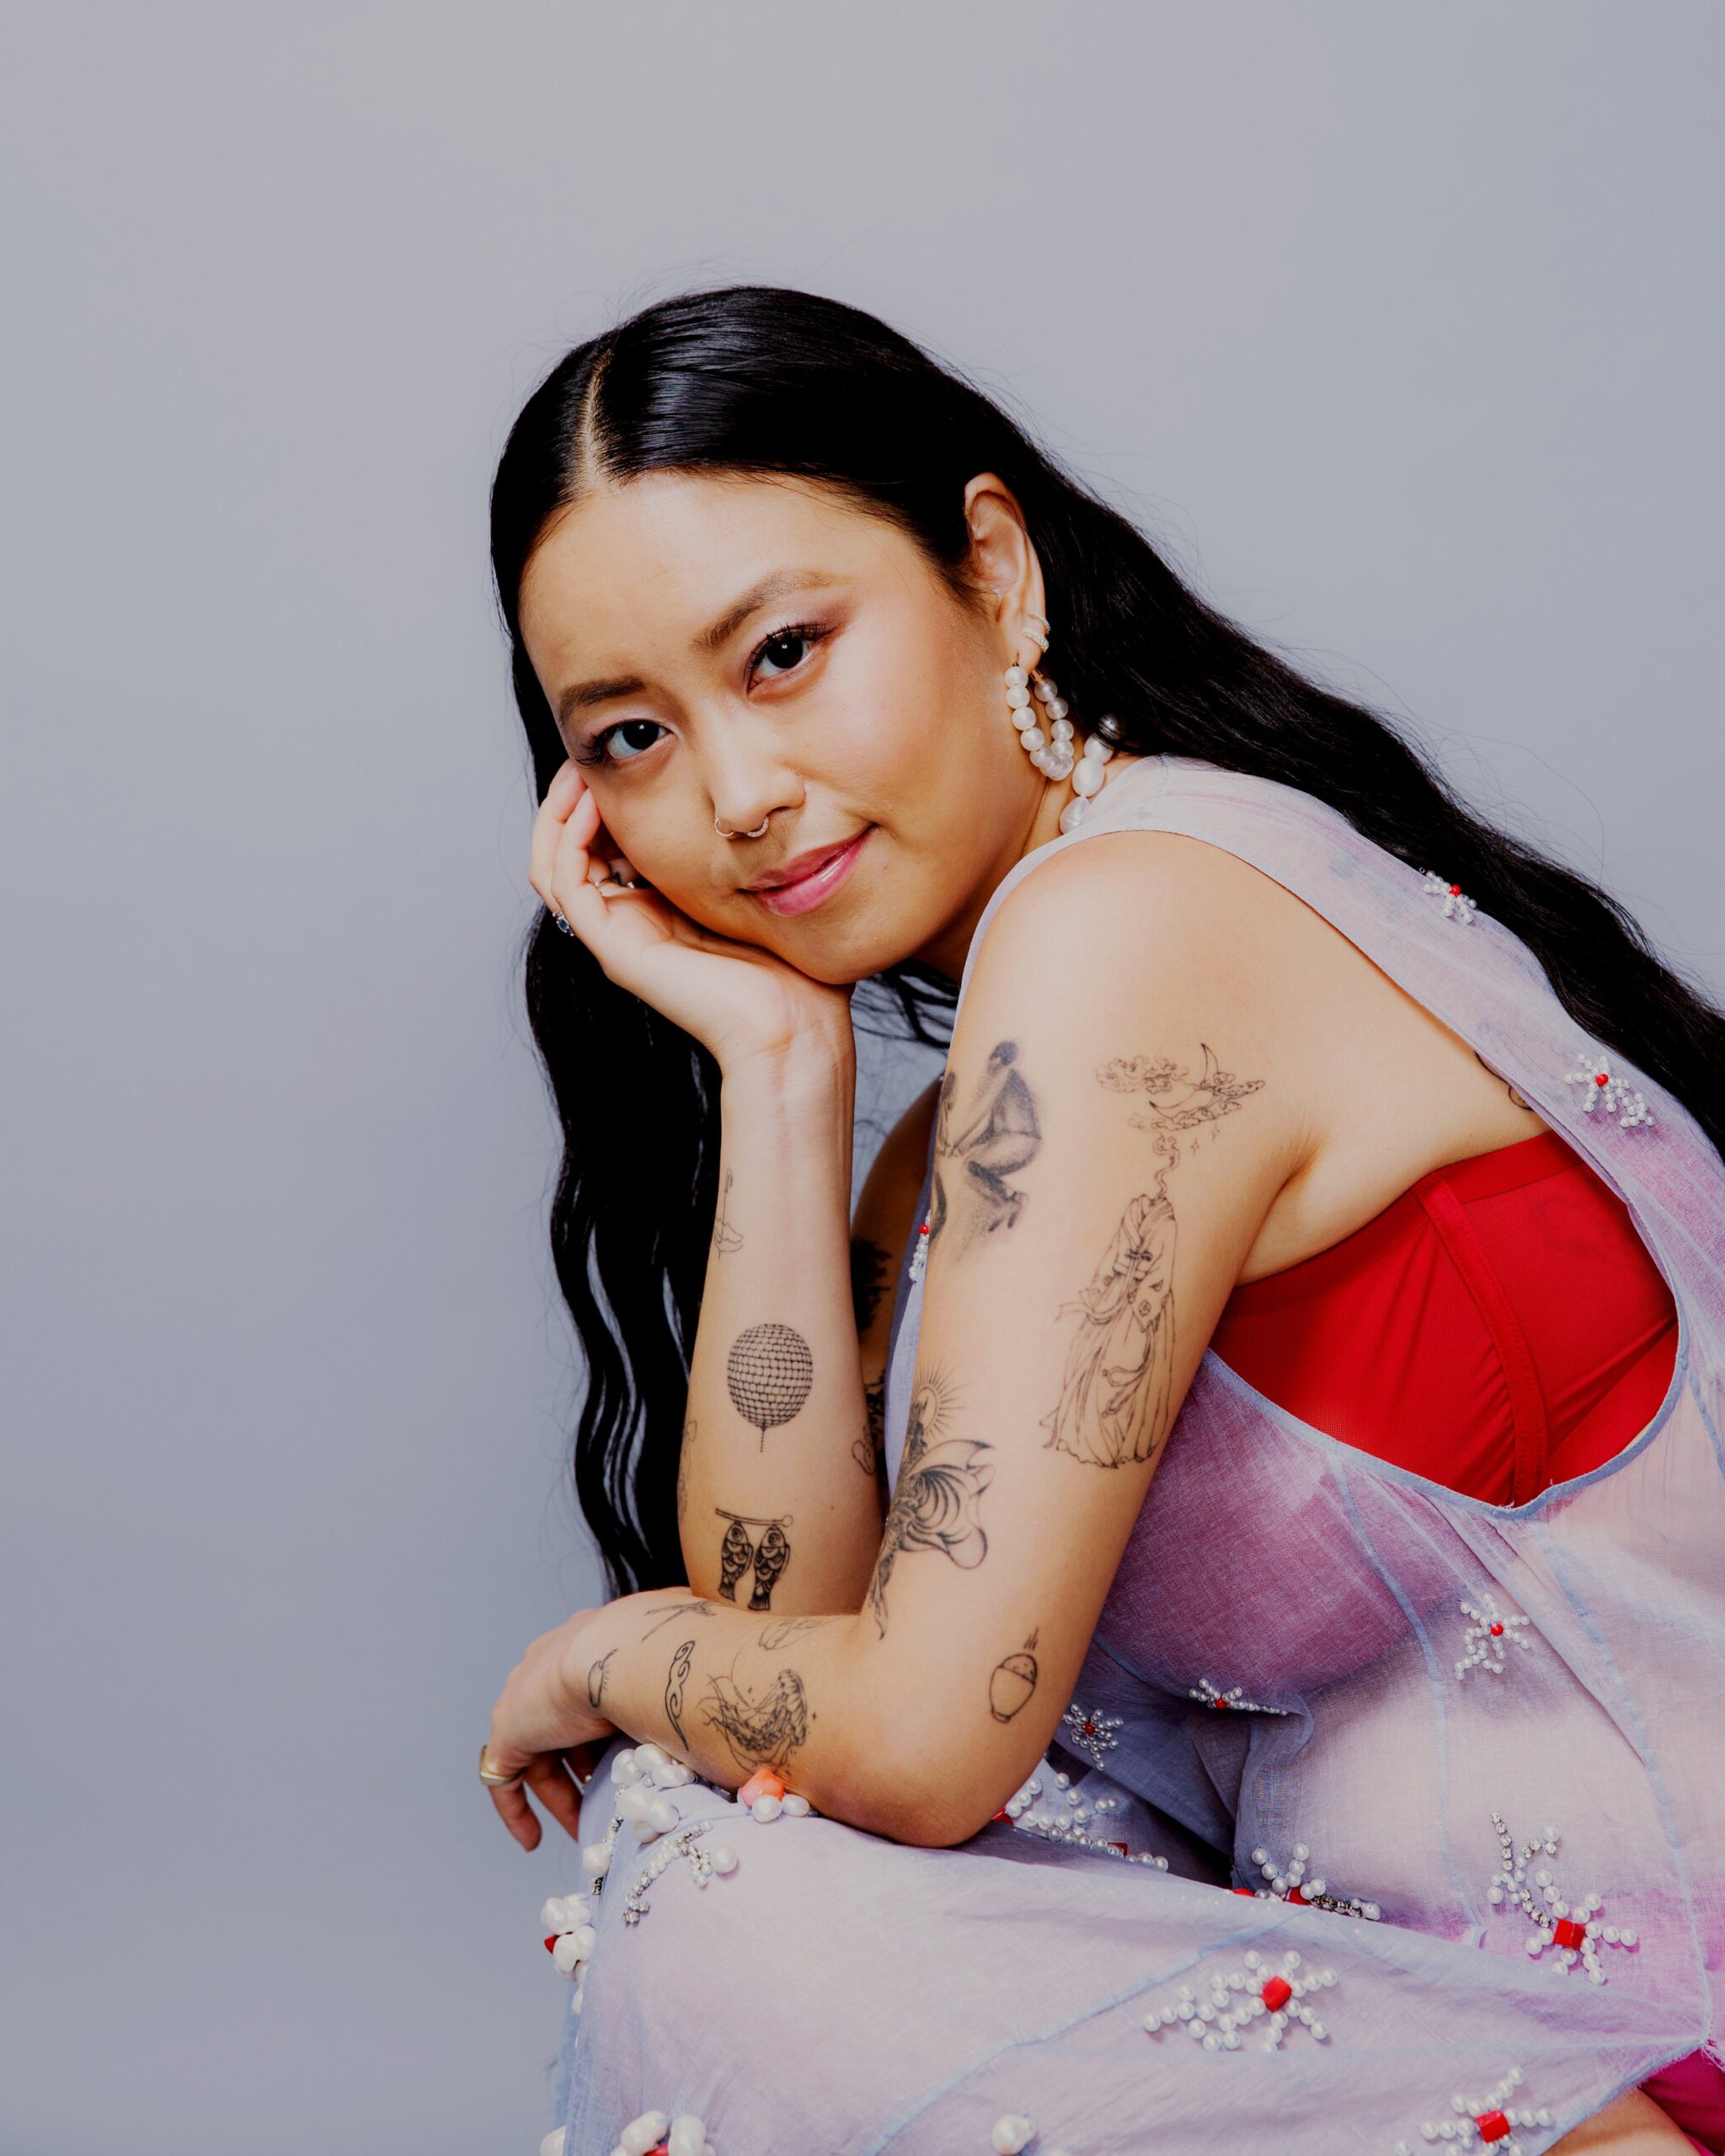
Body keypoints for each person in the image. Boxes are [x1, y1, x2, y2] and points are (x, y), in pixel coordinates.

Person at [477, 286, 1724, 2156]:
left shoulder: (1128, 927)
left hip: (1658, 2007)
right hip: (1466, 2014)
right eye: (634, 736)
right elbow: (793, 1676)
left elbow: (912, 1734)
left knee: (720, 1898)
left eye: (786, 652)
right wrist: (777, 1069)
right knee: (735, 1850)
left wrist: (600, 1658)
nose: (738, 795)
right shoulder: (975, 1116)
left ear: (993, 569)